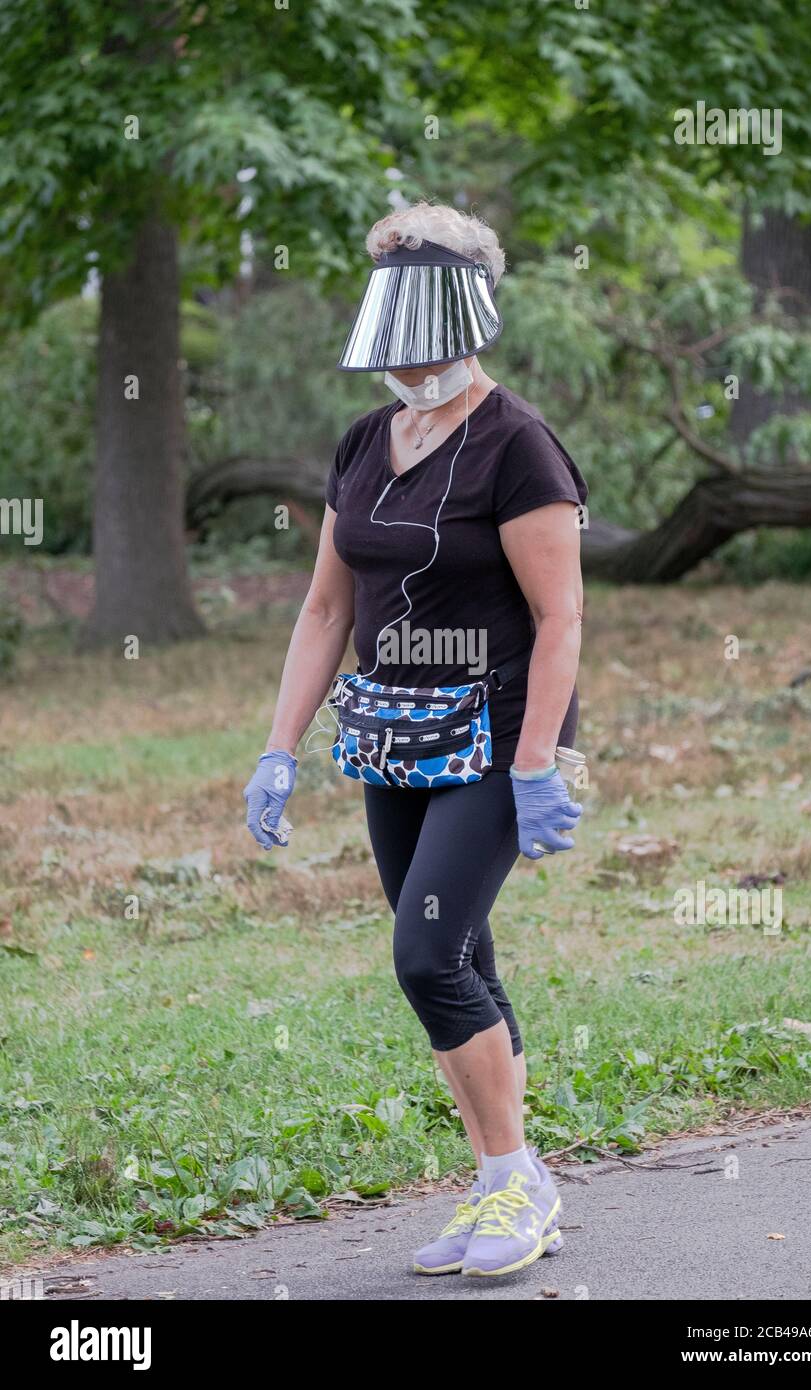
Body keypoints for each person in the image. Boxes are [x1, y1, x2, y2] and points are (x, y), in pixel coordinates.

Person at [244, 202, 587, 1278]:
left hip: (495, 733)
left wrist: (535, 763)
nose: (408, 355)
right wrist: (279, 745)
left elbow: (561, 616)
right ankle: (516, 1183)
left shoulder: (518, 444)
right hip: (396, 736)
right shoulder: (365, 440)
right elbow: (323, 610)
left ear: (466, 311)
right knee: (461, 952)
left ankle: (509, 1182)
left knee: (424, 953)